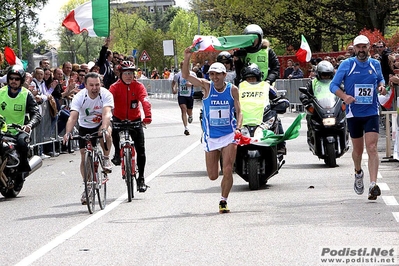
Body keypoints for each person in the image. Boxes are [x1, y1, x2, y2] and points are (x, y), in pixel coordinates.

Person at [182, 47, 243, 214]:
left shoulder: (232, 89)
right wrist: (187, 57)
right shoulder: (207, 87)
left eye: (218, 74)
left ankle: (223, 200)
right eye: (212, 74)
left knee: (228, 168)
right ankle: (220, 184)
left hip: (229, 134)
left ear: (224, 75)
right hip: (212, 137)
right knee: (213, 176)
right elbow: (186, 76)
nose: (214, 77)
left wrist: (238, 128)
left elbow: (239, 111)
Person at [329, 35, 386, 200]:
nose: (361, 50)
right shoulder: (347, 64)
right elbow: (333, 85)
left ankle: (373, 184)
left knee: (372, 147)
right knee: (358, 150)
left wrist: (381, 87)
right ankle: (358, 172)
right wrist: (344, 96)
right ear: (354, 48)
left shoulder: (375, 64)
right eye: (358, 47)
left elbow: (380, 79)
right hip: (354, 113)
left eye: (364, 47)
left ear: (369, 47)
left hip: (371, 112)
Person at [233, 24, 286, 154]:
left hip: (265, 87)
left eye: (254, 38)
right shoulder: (242, 53)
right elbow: (238, 72)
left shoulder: (267, 51)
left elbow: (275, 68)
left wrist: (268, 81)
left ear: (260, 38)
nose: (252, 41)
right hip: (247, 88)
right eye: (249, 38)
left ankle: (280, 143)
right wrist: (237, 60)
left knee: (272, 115)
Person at [62, 72, 114, 204]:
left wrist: (103, 128)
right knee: (84, 155)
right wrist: (68, 132)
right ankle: (88, 185)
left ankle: (106, 158)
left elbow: (106, 114)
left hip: (100, 123)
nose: (95, 88)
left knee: (106, 132)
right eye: (91, 85)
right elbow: (73, 117)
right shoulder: (80, 97)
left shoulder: (105, 94)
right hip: (85, 126)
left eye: (97, 84)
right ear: (85, 85)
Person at [109, 61, 152, 193]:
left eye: (131, 73)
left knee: (141, 149)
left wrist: (148, 116)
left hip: (135, 119)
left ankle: (141, 178)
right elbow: (108, 103)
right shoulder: (114, 87)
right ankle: (117, 152)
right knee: (114, 132)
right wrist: (106, 117)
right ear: (120, 74)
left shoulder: (138, 86)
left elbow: (145, 101)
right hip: (118, 118)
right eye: (126, 73)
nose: (129, 76)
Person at [0, 65, 41, 191]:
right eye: (11, 78)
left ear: (21, 80)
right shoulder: (1, 92)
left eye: (17, 79)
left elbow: (36, 114)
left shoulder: (26, 94)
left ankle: (21, 173)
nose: (13, 81)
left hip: (18, 130)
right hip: (2, 129)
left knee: (23, 143)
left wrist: (28, 125)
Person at [300, 60, 342, 141]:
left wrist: (345, 96)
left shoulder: (336, 81)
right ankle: (311, 134)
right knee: (309, 114)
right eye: (324, 74)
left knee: (343, 114)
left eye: (328, 74)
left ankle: (344, 132)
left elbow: (343, 89)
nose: (326, 76)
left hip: (333, 105)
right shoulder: (313, 82)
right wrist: (304, 98)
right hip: (317, 106)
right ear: (318, 74)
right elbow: (305, 92)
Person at [172, 62, 196, 135]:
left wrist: (191, 84)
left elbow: (197, 83)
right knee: (183, 109)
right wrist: (174, 89)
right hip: (181, 95)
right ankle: (186, 128)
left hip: (190, 95)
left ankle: (190, 116)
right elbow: (173, 82)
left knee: (189, 111)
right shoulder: (178, 75)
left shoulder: (192, 74)